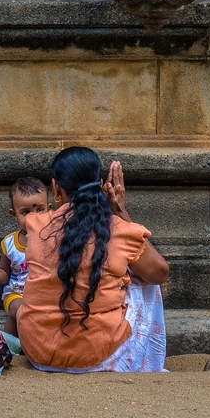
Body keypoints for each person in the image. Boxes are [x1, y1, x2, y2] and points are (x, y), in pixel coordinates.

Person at [17, 146, 170, 373]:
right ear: (99, 185)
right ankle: (149, 367)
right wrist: (120, 212)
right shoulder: (119, 228)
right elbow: (160, 273)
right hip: (101, 355)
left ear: (56, 188)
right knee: (145, 277)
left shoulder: (35, 224)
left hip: (39, 352)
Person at [0, 176, 50, 335]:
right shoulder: (10, 244)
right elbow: (4, 275)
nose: (34, 217)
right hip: (17, 294)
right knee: (19, 310)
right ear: (14, 214)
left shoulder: (54, 239)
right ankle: (9, 344)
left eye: (40, 209)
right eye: (25, 212)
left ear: (49, 209)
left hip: (44, 294)